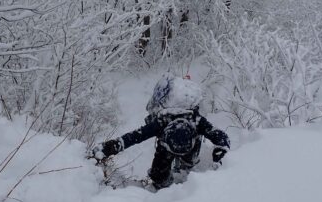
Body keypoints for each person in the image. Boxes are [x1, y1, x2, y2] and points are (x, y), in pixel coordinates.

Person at [90, 74, 230, 190]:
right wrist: (219, 154)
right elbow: (222, 137)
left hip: (164, 155)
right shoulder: (196, 120)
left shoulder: (163, 121)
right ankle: (184, 182)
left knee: (159, 180)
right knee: (187, 171)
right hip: (190, 155)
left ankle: (162, 188)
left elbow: (136, 136)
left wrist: (109, 148)